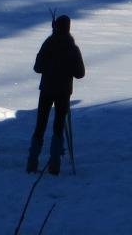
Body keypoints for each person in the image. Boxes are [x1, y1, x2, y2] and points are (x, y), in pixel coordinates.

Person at [28, 15, 86, 174]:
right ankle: (54, 165)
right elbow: (80, 73)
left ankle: (32, 163)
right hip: (63, 92)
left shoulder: (48, 44)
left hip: (46, 89)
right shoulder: (72, 48)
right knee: (58, 127)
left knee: (40, 125)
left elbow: (37, 68)